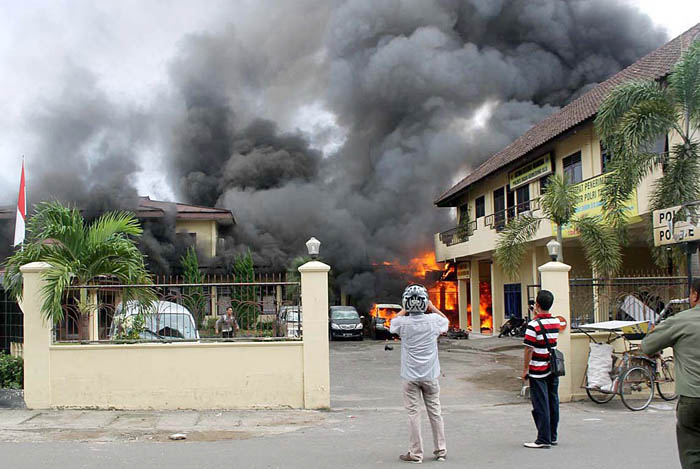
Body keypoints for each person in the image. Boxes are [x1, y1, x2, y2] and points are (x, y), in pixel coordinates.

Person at [642, 279, 700, 469]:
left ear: (695, 295)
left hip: (692, 398)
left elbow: (648, 345)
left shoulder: (681, 320)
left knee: (692, 454)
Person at [390, 284, 450, 463]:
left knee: (413, 414)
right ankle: (441, 451)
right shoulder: (433, 320)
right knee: (435, 412)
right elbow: (445, 321)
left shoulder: (402, 323)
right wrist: (431, 307)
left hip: (410, 376)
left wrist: (404, 309)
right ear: (425, 303)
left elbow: (392, 324)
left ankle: (416, 453)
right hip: (430, 376)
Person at [522, 289, 560, 449]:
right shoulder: (556, 322)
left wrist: (525, 369)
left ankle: (543, 439)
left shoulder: (533, 325)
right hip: (553, 368)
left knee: (540, 404)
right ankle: (552, 435)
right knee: (553, 401)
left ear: (537, 304)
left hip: (538, 369)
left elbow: (529, 349)